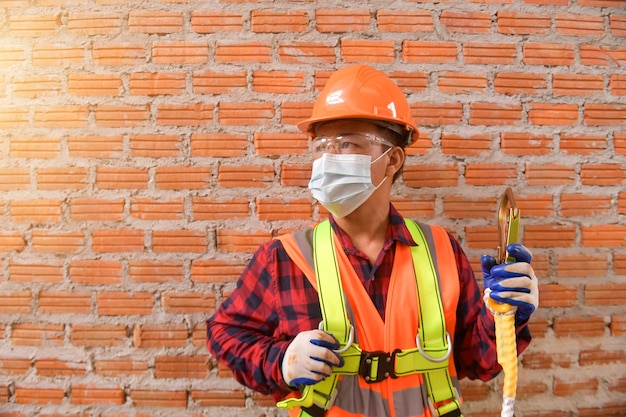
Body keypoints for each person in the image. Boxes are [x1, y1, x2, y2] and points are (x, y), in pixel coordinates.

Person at [206, 64, 539, 417]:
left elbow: (480, 362)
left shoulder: (442, 250)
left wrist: (504, 316)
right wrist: (282, 361)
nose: (328, 158)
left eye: (346, 143)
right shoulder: (283, 258)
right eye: (321, 146)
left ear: (392, 159)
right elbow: (224, 333)